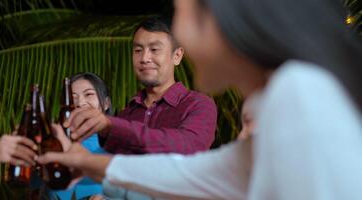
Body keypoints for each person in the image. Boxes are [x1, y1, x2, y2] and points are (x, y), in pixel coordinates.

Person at [37, 0, 362, 199]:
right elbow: (190, 174)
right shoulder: (283, 96)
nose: (146, 57)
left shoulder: (297, 93)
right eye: (139, 50)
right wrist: (81, 161)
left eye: (181, 12)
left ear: (221, 19)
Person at [67, 17, 217, 156]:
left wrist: (113, 126)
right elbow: (113, 168)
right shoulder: (126, 115)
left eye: (154, 50)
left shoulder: (198, 105)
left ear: (176, 56)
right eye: (138, 50)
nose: (144, 58)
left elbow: (188, 145)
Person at [49, 72, 110, 200]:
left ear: (106, 103)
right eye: (72, 97)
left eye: (89, 94)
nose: (80, 103)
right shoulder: (52, 142)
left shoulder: (118, 144)